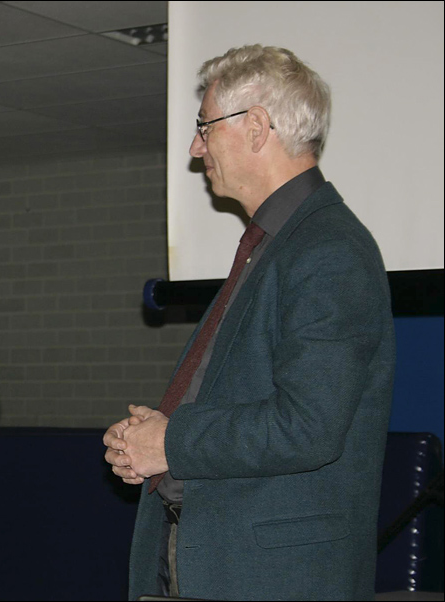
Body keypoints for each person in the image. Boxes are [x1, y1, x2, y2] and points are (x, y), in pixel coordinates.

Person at [104, 45, 395, 600]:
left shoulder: (328, 249)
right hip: (215, 561)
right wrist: (155, 433)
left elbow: (309, 426)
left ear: (256, 127)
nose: (195, 148)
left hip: (272, 578)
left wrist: (173, 440)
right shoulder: (279, 245)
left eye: (204, 127)